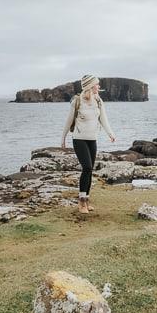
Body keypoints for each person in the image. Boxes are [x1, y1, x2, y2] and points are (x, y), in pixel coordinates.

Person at [61, 73, 116, 213]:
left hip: (93, 139)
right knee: (86, 167)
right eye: (96, 84)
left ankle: (87, 199)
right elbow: (68, 121)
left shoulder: (98, 100)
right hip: (79, 139)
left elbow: (103, 119)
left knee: (90, 169)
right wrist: (63, 138)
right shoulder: (77, 101)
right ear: (90, 86)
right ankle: (81, 202)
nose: (99, 86)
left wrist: (110, 134)